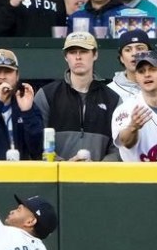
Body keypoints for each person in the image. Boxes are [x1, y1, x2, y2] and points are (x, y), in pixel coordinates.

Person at [33, 31, 120, 161]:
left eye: (84, 51)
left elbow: (119, 148)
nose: (78, 57)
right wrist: (64, 166)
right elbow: (35, 142)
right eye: (72, 52)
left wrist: (97, 168)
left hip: (99, 177)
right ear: (66, 57)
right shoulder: (47, 95)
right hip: (56, 177)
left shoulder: (113, 99)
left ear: (95, 54)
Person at [106, 29, 157, 103]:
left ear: (150, 53)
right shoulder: (110, 90)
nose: (134, 53)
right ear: (121, 58)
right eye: (128, 50)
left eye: (140, 48)